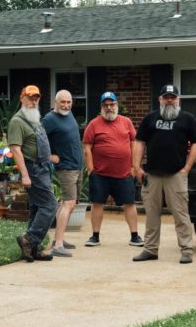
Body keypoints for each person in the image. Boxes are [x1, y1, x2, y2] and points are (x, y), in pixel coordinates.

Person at [132, 84, 196, 264]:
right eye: (166, 97)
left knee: (180, 214)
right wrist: (136, 167)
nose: (169, 100)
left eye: (173, 97)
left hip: (176, 174)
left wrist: (186, 168)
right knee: (151, 214)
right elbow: (139, 142)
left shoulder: (187, 119)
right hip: (152, 174)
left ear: (178, 99)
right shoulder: (150, 118)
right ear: (160, 99)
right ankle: (150, 249)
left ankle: (186, 250)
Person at [82, 91, 144, 247]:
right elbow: (87, 147)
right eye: (106, 105)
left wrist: (133, 166)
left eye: (112, 104)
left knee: (129, 204)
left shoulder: (126, 122)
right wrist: (90, 168)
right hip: (100, 174)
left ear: (117, 105)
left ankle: (135, 236)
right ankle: (95, 236)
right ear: (102, 107)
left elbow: (133, 144)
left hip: (124, 173)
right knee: (97, 204)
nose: (109, 108)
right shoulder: (93, 124)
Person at [9, 85, 57, 263]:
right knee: (50, 205)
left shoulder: (35, 119)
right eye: (30, 98)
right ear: (22, 98)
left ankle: (32, 250)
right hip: (33, 170)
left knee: (37, 208)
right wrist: (25, 175)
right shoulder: (17, 122)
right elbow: (15, 149)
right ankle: (29, 240)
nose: (34, 101)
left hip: (44, 169)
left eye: (36, 98)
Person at [42, 89, 84, 258]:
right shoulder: (50, 119)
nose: (66, 105)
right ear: (55, 102)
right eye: (63, 102)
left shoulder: (69, 115)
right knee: (68, 203)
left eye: (69, 102)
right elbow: (36, 140)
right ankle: (57, 245)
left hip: (76, 166)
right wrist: (50, 157)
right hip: (66, 167)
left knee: (68, 204)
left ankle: (59, 239)